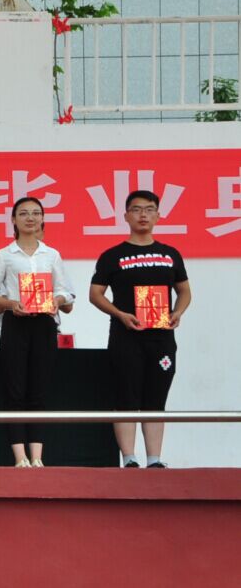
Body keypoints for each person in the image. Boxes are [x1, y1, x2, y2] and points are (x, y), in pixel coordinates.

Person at [89, 189, 192, 469]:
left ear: (158, 215)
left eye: (149, 209)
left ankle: (155, 459)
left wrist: (177, 312)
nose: (143, 215)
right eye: (136, 209)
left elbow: (184, 291)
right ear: (126, 216)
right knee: (125, 395)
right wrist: (120, 314)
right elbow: (95, 294)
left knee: (156, 397)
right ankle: (130, 458)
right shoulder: (112, 256)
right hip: (126, 336)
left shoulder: (170, 254)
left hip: (162, 338)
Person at [0, 196, 76, 467]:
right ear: (13, 220)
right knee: (15, 391)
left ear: (43, 218)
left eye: (36, 213)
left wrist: (57, 299)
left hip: (45, 324)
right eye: (23, 213)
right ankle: (19, 456)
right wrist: (12, 304)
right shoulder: (4, 255)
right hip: (16, 324)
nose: (30, 218)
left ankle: (37, 457)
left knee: (39, 391)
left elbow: (67, 294)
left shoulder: (51, 255)